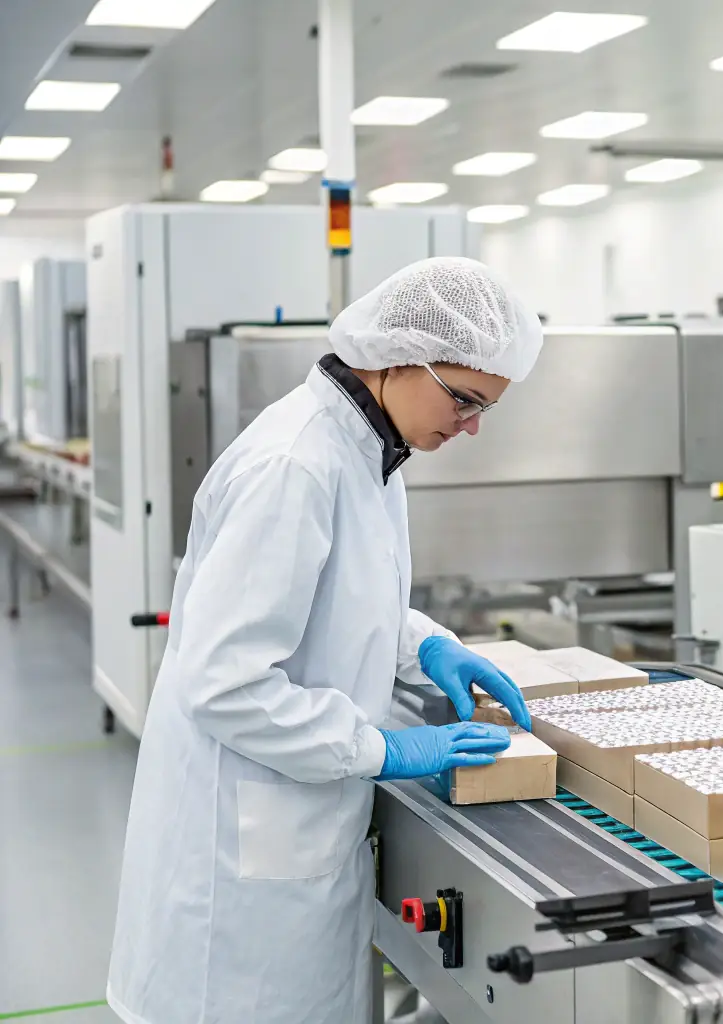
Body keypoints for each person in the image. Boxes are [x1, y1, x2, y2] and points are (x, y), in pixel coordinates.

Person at [107, 258, 545, 1023]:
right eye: (466, 400)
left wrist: (428, 646)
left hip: (298, 825)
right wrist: (383, 750)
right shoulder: (294, 464)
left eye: (486, 408)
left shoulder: (371, 450)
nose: (471, 425)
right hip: (239, 868)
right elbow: (224, 682)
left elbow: (340, 599)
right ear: (402, 357)